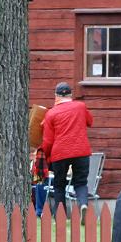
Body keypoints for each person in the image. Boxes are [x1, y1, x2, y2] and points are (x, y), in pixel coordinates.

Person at [40, 81, 93, 223]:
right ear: (70, 95)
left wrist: (47, 156)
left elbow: (48, 141)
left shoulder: (50, 113)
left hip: (60, 153)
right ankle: (83, 204)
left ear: (56, 95)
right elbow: (90, 121)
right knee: (81, 182)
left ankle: (60, 217)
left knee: (59, 185)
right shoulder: (81, 106)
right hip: (81, 151)